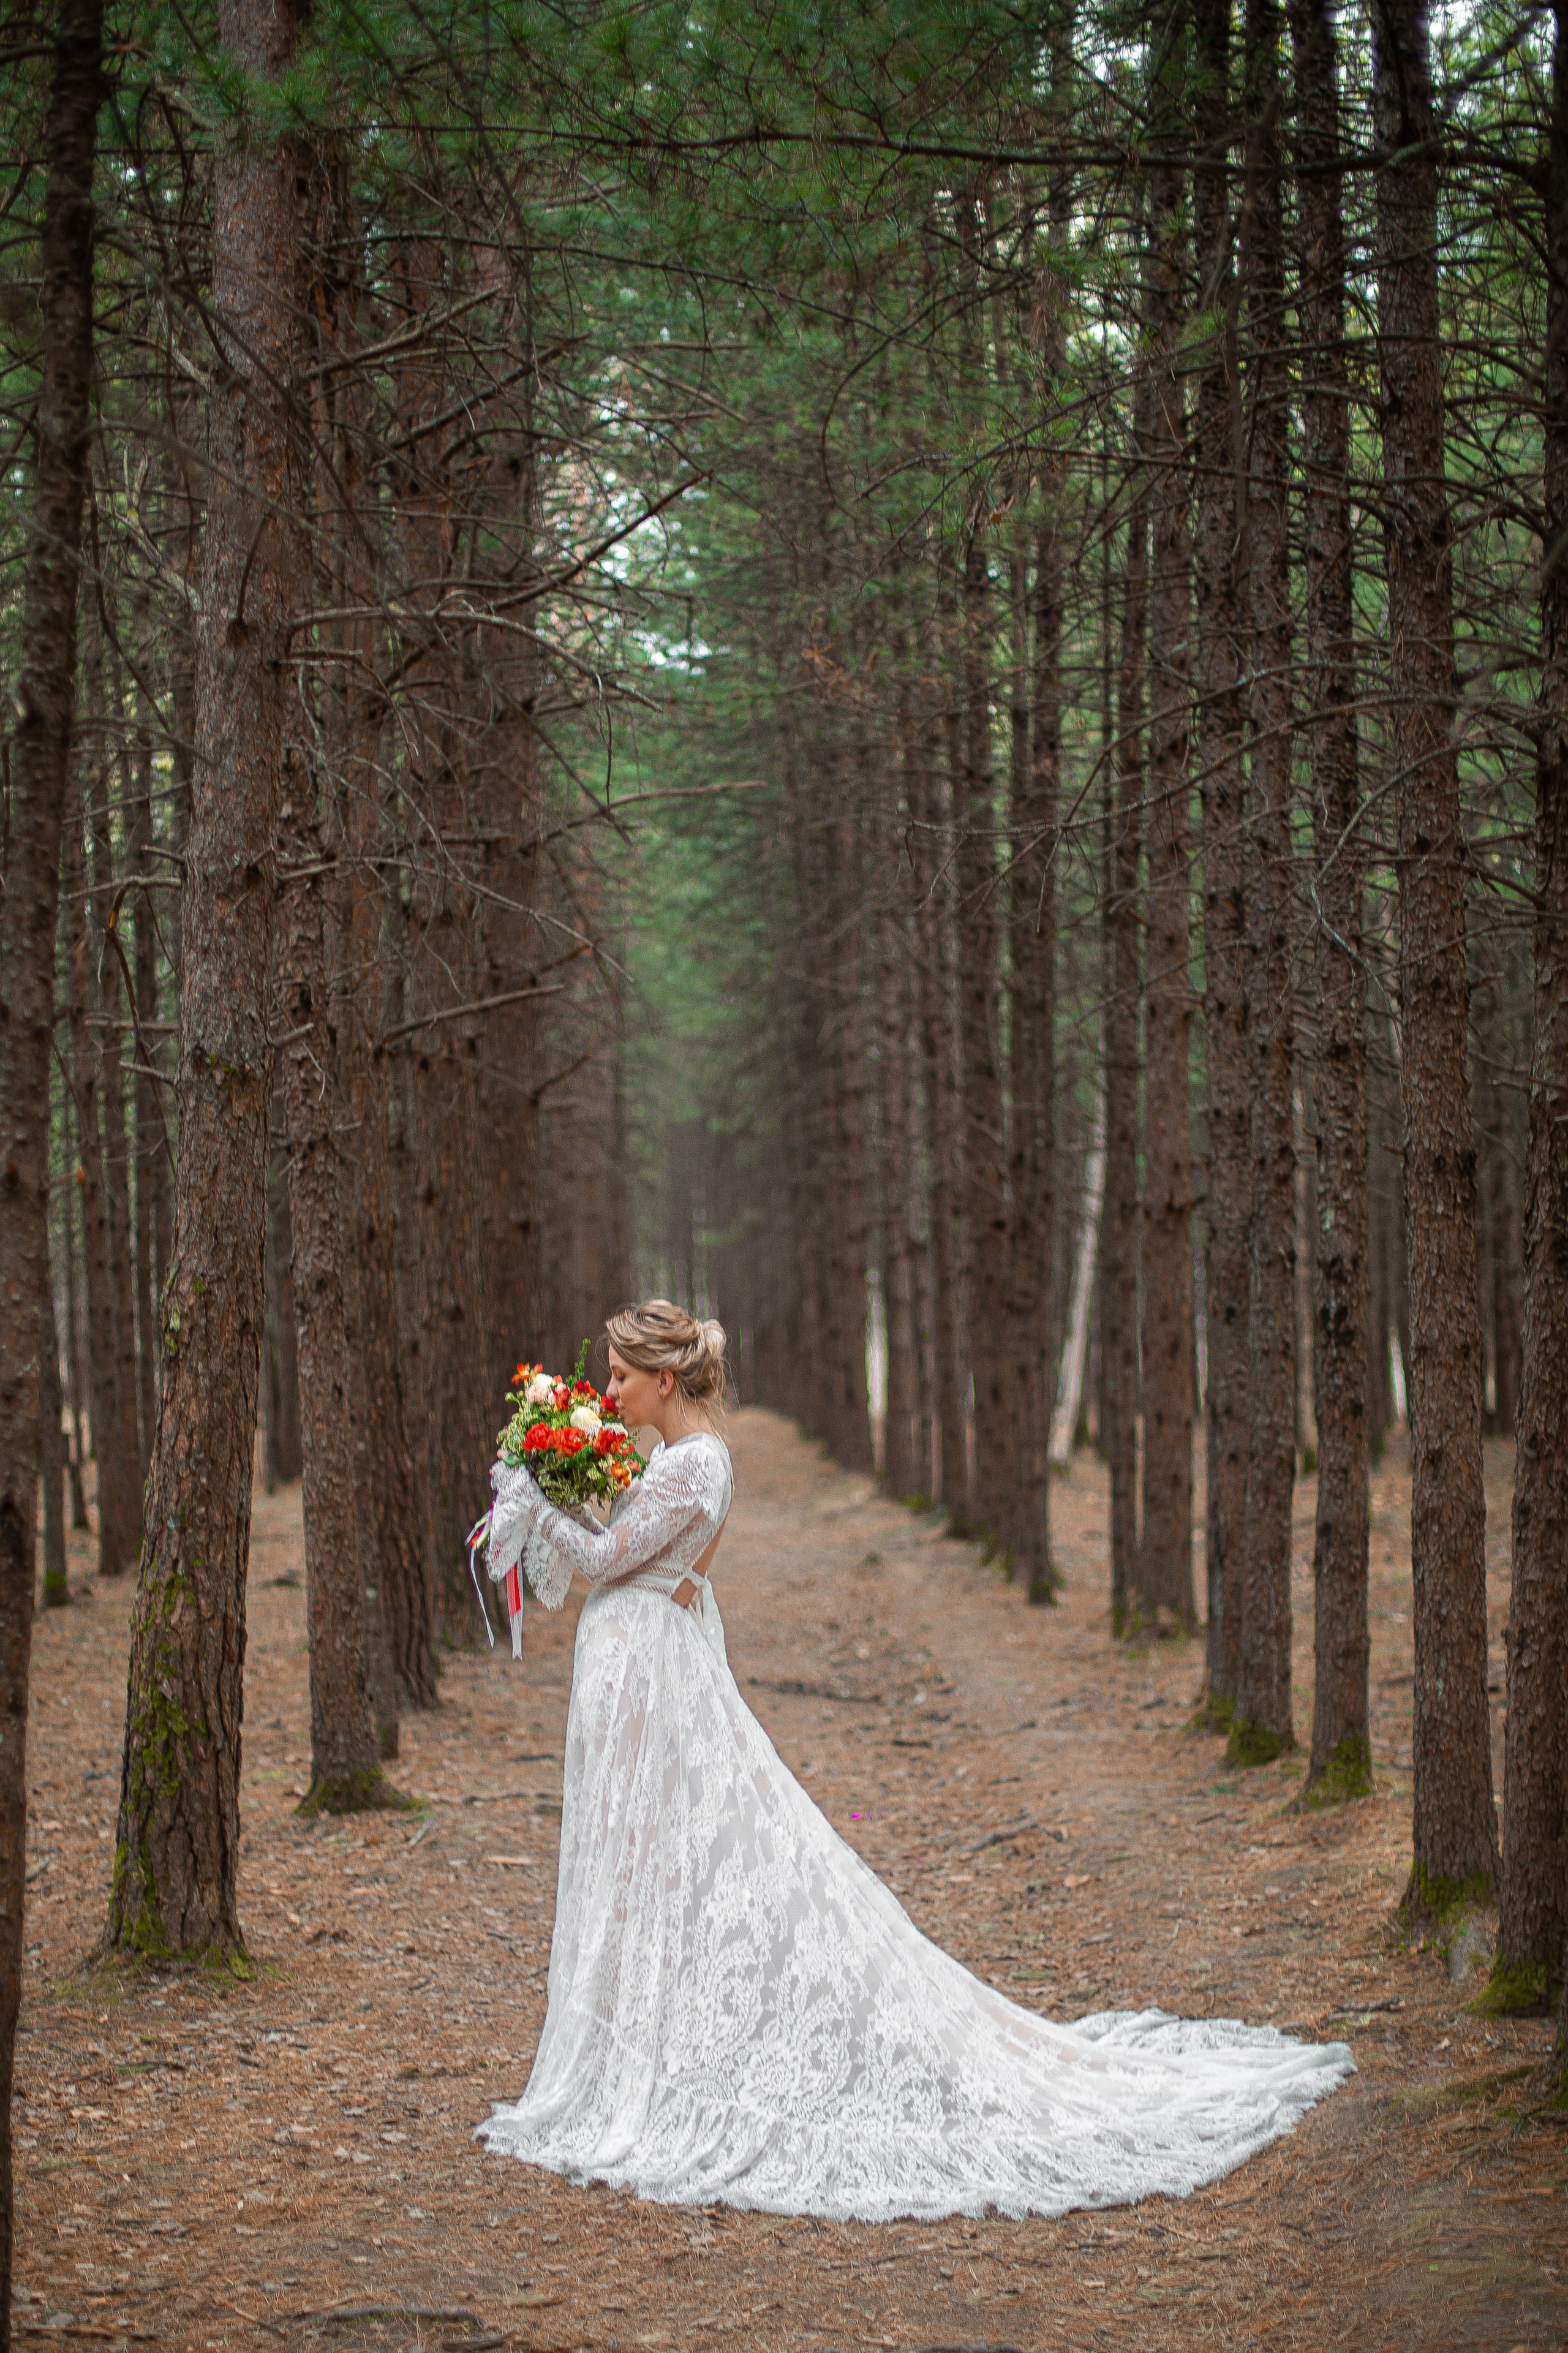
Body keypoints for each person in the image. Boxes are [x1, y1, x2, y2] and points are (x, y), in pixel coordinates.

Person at [476, 1299, 1352, 2223]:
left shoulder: (695, 1463)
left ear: (664, 1378)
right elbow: (626, 1550)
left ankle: (666, 2054)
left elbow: (610, 1558)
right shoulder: (671, 1459)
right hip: (640, 1664)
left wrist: (538, 1502)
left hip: (653, 1666)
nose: (610, 1391)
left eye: (621, 1376)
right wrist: (560, 1484)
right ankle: (640, 2038)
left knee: (678, 1855)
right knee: (644, 1855)